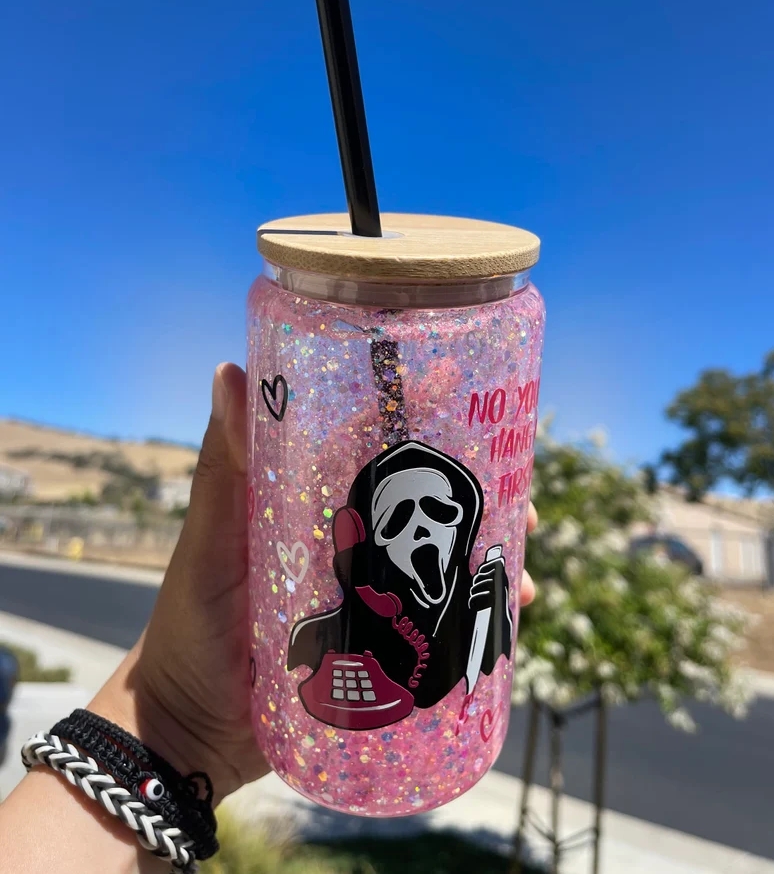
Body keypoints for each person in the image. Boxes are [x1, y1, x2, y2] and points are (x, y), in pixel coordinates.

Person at [0, 363, 537, 872]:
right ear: (363, 537)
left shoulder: (474, 616)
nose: (423, 530)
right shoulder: (319, 637)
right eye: (401, 516)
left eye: (441, 513)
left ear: (467, 533)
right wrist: (171, 725)